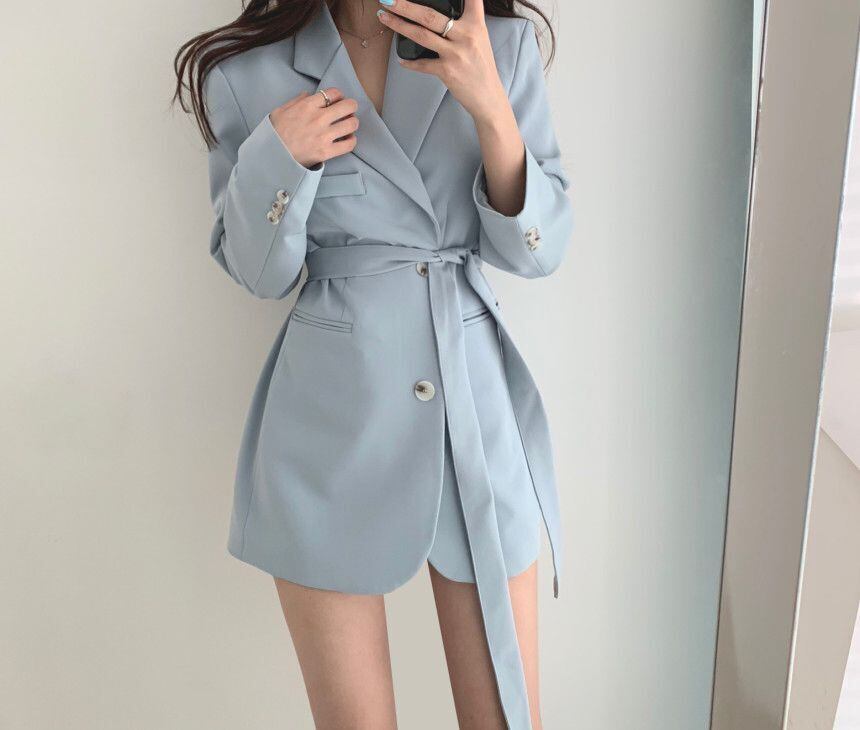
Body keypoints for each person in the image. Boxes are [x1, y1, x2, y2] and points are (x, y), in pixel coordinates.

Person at [174, 0, 572, 726]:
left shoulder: (497, 47)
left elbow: (538, 253)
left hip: (472, 418)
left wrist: (491, 107)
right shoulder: (247, 71)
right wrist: (279, 158)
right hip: (328, 431)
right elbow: (259, 276)